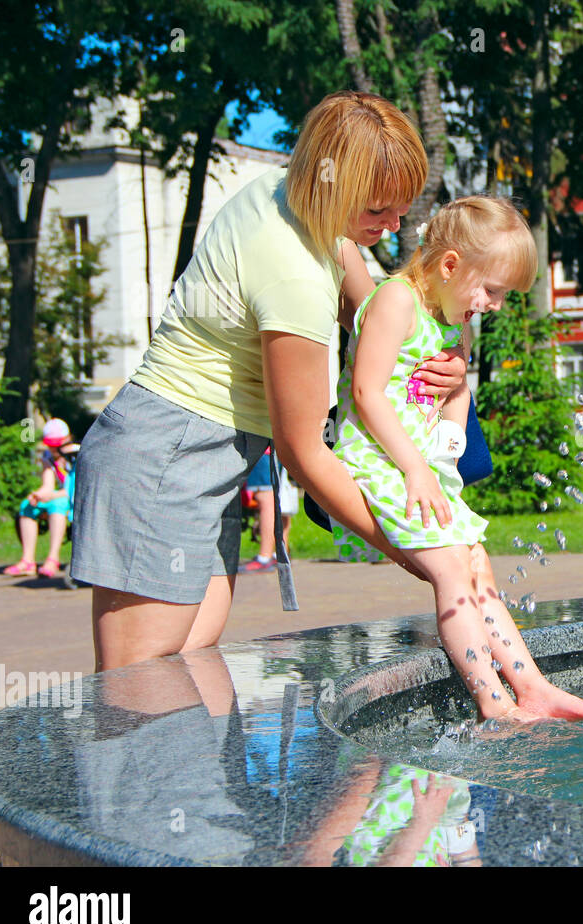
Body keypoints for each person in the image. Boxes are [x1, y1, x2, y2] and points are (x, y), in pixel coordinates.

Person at [71, 91, 468, 672]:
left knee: (189, 667)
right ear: (331, 186)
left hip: (204, 455)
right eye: (379, 210)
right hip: (164, 456)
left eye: (402, 210)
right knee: (140, 687)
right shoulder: (292, 272)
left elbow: (381, 312)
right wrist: (426, 552)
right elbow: (303, 454)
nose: (392, 227)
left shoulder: (299, 199)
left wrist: (449, 360)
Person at [331, 196, 583, 723]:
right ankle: (491, 700)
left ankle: (534, 688)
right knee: (453, 572)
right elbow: (366, 393)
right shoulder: (396, 301)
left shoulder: (454, 316)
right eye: (492, 289)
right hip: (377, 457)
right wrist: (416, 468)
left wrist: (447, 453)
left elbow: (452, 399)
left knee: (481, 571)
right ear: (451, 264)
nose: (496, 303)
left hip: (421, 466)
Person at [4, 419, 76, 578]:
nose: (53, 448)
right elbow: (48, 486)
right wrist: (38, 495)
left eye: (56, 444)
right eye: (50, 444)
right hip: (60, 495)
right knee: (27, 505)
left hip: (73, 498)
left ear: (67, 439)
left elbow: (73, 490)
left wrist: (51, 496)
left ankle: (53, 558)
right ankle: (27, 560)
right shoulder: (48, 456)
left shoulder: (76, 454)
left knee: (57, 504)